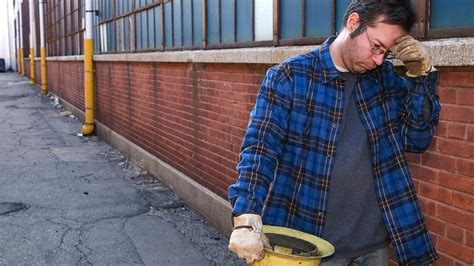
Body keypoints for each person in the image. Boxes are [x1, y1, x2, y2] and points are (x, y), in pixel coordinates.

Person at [227, 0, 440, 265]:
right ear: (353, 23)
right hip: (310, 245)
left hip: (373, 247)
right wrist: (246, 216)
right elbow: (260, 151)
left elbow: (417, 140)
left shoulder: (386, 81)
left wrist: (422, 77)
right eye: (375, 47)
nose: (379, 60)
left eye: (386, 52)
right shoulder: (291, 77)